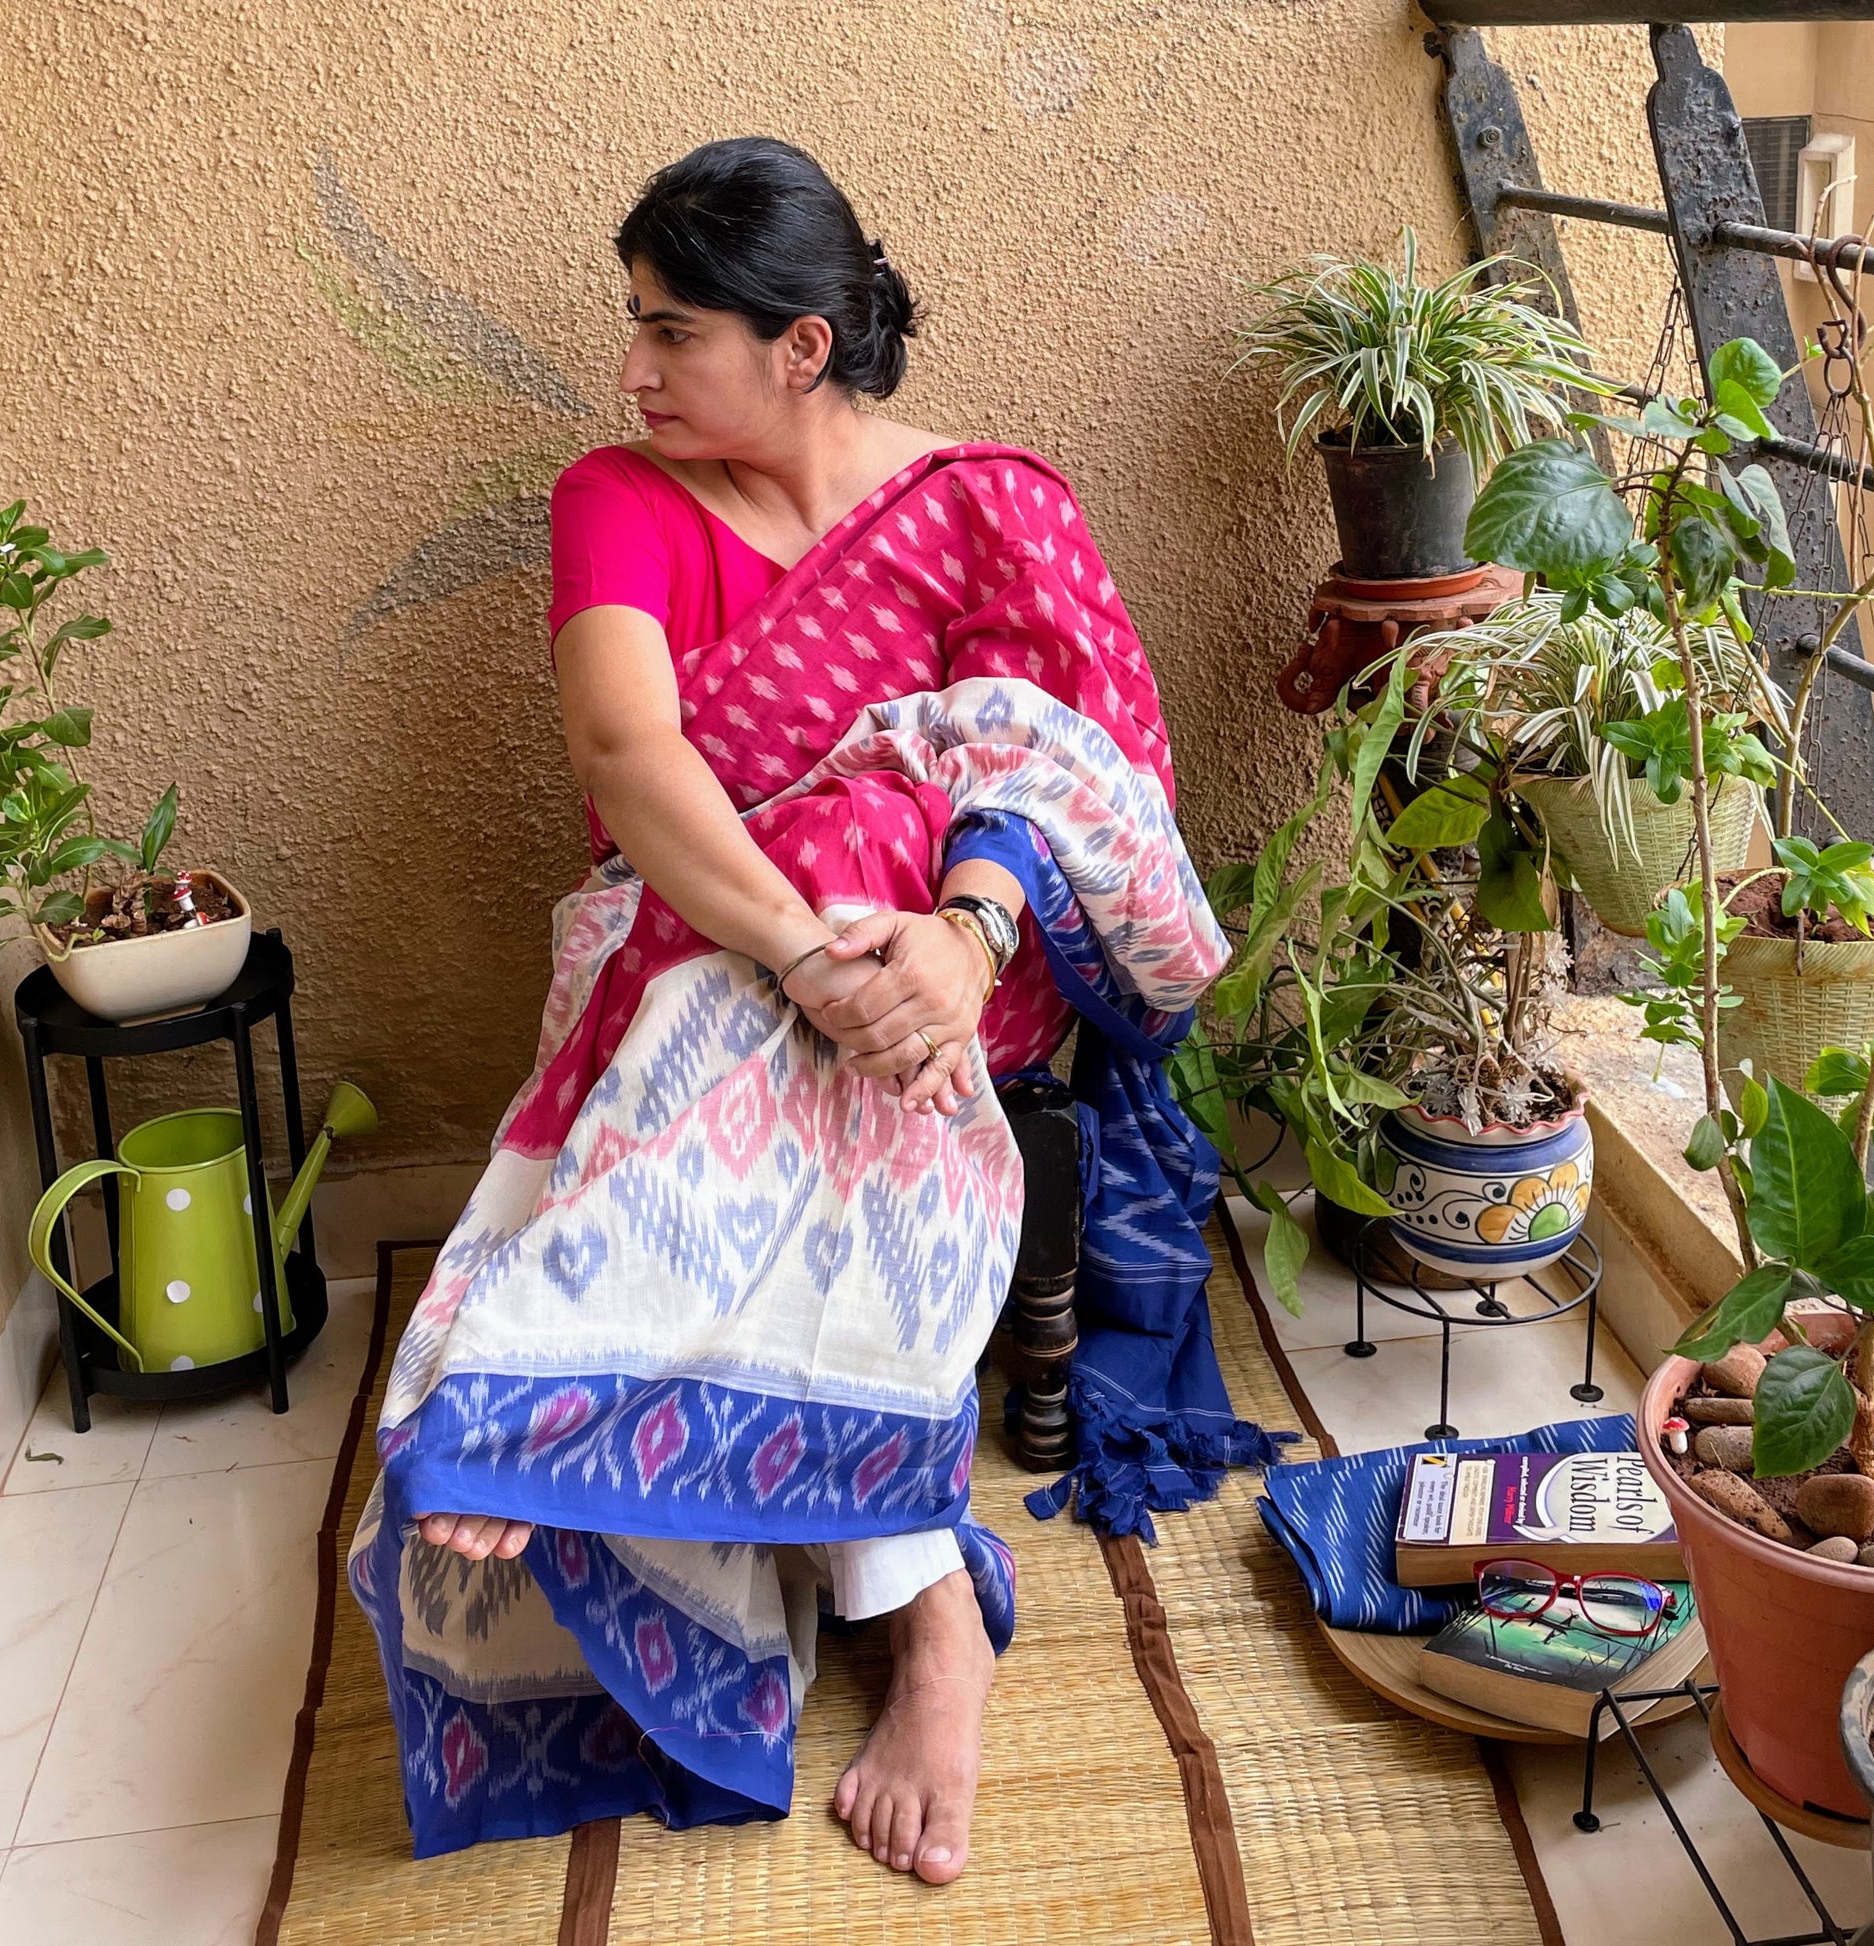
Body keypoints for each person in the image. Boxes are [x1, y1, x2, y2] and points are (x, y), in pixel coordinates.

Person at [350, 135, 1232, 1885]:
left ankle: (557, 1382)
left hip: (961, 960)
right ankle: (928, 1619)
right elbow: (629, 757)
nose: (631, 369)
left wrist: (956, 945)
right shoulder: (615, 495)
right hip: (711, 943)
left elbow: (1077, 773)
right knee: (755, 980)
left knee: (884, 822)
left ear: (800, 345)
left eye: (672, 331)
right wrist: (808, 954)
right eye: (636, 329)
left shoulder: (991, 503)